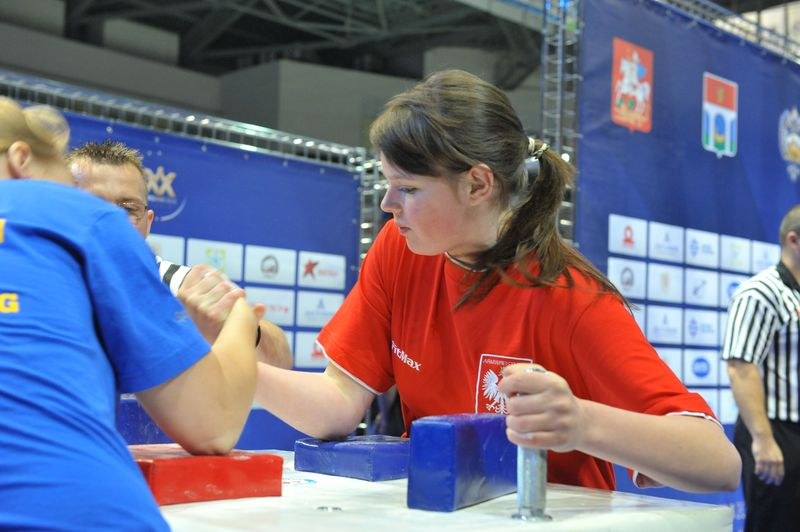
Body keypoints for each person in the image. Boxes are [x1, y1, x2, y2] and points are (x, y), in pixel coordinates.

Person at [253, 69, 741, 492]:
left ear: (478, 184)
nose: (388, 205)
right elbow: (337, 404)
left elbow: (718, 463)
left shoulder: (572, 298)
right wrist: (234, 373)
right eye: (388, 185)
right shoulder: (398, 250)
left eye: (408, 189)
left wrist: (580, 422)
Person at [0, 97, 259, 529]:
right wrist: (239, 315)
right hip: (72, 511)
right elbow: (213, 426)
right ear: (20, 160)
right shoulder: (81, 219)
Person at [68, 140, 292, 369]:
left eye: (127, 209)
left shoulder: (183, 287)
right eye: (92, 205)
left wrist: (239, 327)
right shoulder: (39, 282)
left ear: (148, 223)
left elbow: (280, 360)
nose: (112, 220)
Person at [722, 205, 800, 531]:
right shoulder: (761, 292)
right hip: (777, 433)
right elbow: (741, 367)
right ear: (793, 240)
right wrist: (763, 441)